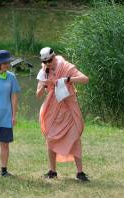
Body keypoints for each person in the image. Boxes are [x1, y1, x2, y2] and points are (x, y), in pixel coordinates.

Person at [36, 47, 90, 182]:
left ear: (54, 57)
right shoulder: (44, 72)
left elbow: (85, 79)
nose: (48, 64)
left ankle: (80, 172)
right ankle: (52, 171)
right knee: (50, 137)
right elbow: (38, 95)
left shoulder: (65, 67)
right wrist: (44, 85)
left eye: (49, 60)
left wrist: (68, 79)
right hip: (52, 110)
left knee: (75, 137)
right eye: (45, 61)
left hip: (68, 108)